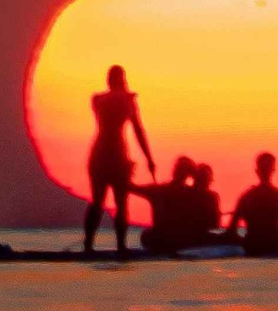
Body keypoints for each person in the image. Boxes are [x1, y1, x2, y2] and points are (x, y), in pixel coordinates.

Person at [84, 65, 155, 256]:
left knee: (97, 200)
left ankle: (88, 245)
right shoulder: (126, 100)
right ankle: (120, 247)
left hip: (99, 154)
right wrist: (149, 158)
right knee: (121, 203)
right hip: (116, 155)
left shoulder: (97, 99)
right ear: (122, 79)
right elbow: (138, 130)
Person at [135, 156, 198, 255]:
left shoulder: (190, 194)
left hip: (173, 238)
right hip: (166, 238)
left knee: (147, 235)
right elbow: (131, 188)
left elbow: (130, 187)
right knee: (147, 235)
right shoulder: (158, 190)